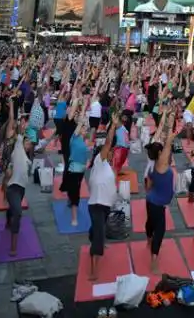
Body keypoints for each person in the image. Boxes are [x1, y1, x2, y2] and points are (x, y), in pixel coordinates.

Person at [88, 114, 119, 281]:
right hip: (96, 204)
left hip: (105, 205)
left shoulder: (107, 167)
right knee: (100, 235)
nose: (111, 154)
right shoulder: (99, 162)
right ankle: (94, 270)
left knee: (96, 230)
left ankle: (92, 236)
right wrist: (113, 126)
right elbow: (107, 143)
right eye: (109, 153)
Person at [1, 96, 33, 256]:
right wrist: (15, 107)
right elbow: (16, 124)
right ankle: (13, 246)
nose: (28, 143)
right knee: (18, 212)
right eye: (26, 141)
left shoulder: (27, 159)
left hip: (20, 188)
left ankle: (8, 218)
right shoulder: (16, 144)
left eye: (29, 143)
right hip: (12, 184)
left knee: (13, 209)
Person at [145, 112, 175, 272]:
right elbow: (169, 143)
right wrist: (170, 125)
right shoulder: (161, 164)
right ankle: (154, 261)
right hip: (156, 203)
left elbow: (148, 185)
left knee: (150, 223)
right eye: (162, 150)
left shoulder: (154, 166)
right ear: (159, 154)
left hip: (152, 200)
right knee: (160, 230)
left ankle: (148, 240)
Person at [64, 100, 89, 226]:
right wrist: (83, 107)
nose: (85, 130)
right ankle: (74, 218)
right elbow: (79, 124)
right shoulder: (74, 137)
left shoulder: (84, 143)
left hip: (81, 171)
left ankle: (70, 197)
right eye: (83, 129)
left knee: (75, 190)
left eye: (85, 129)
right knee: (76, 194)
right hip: (73, 170)